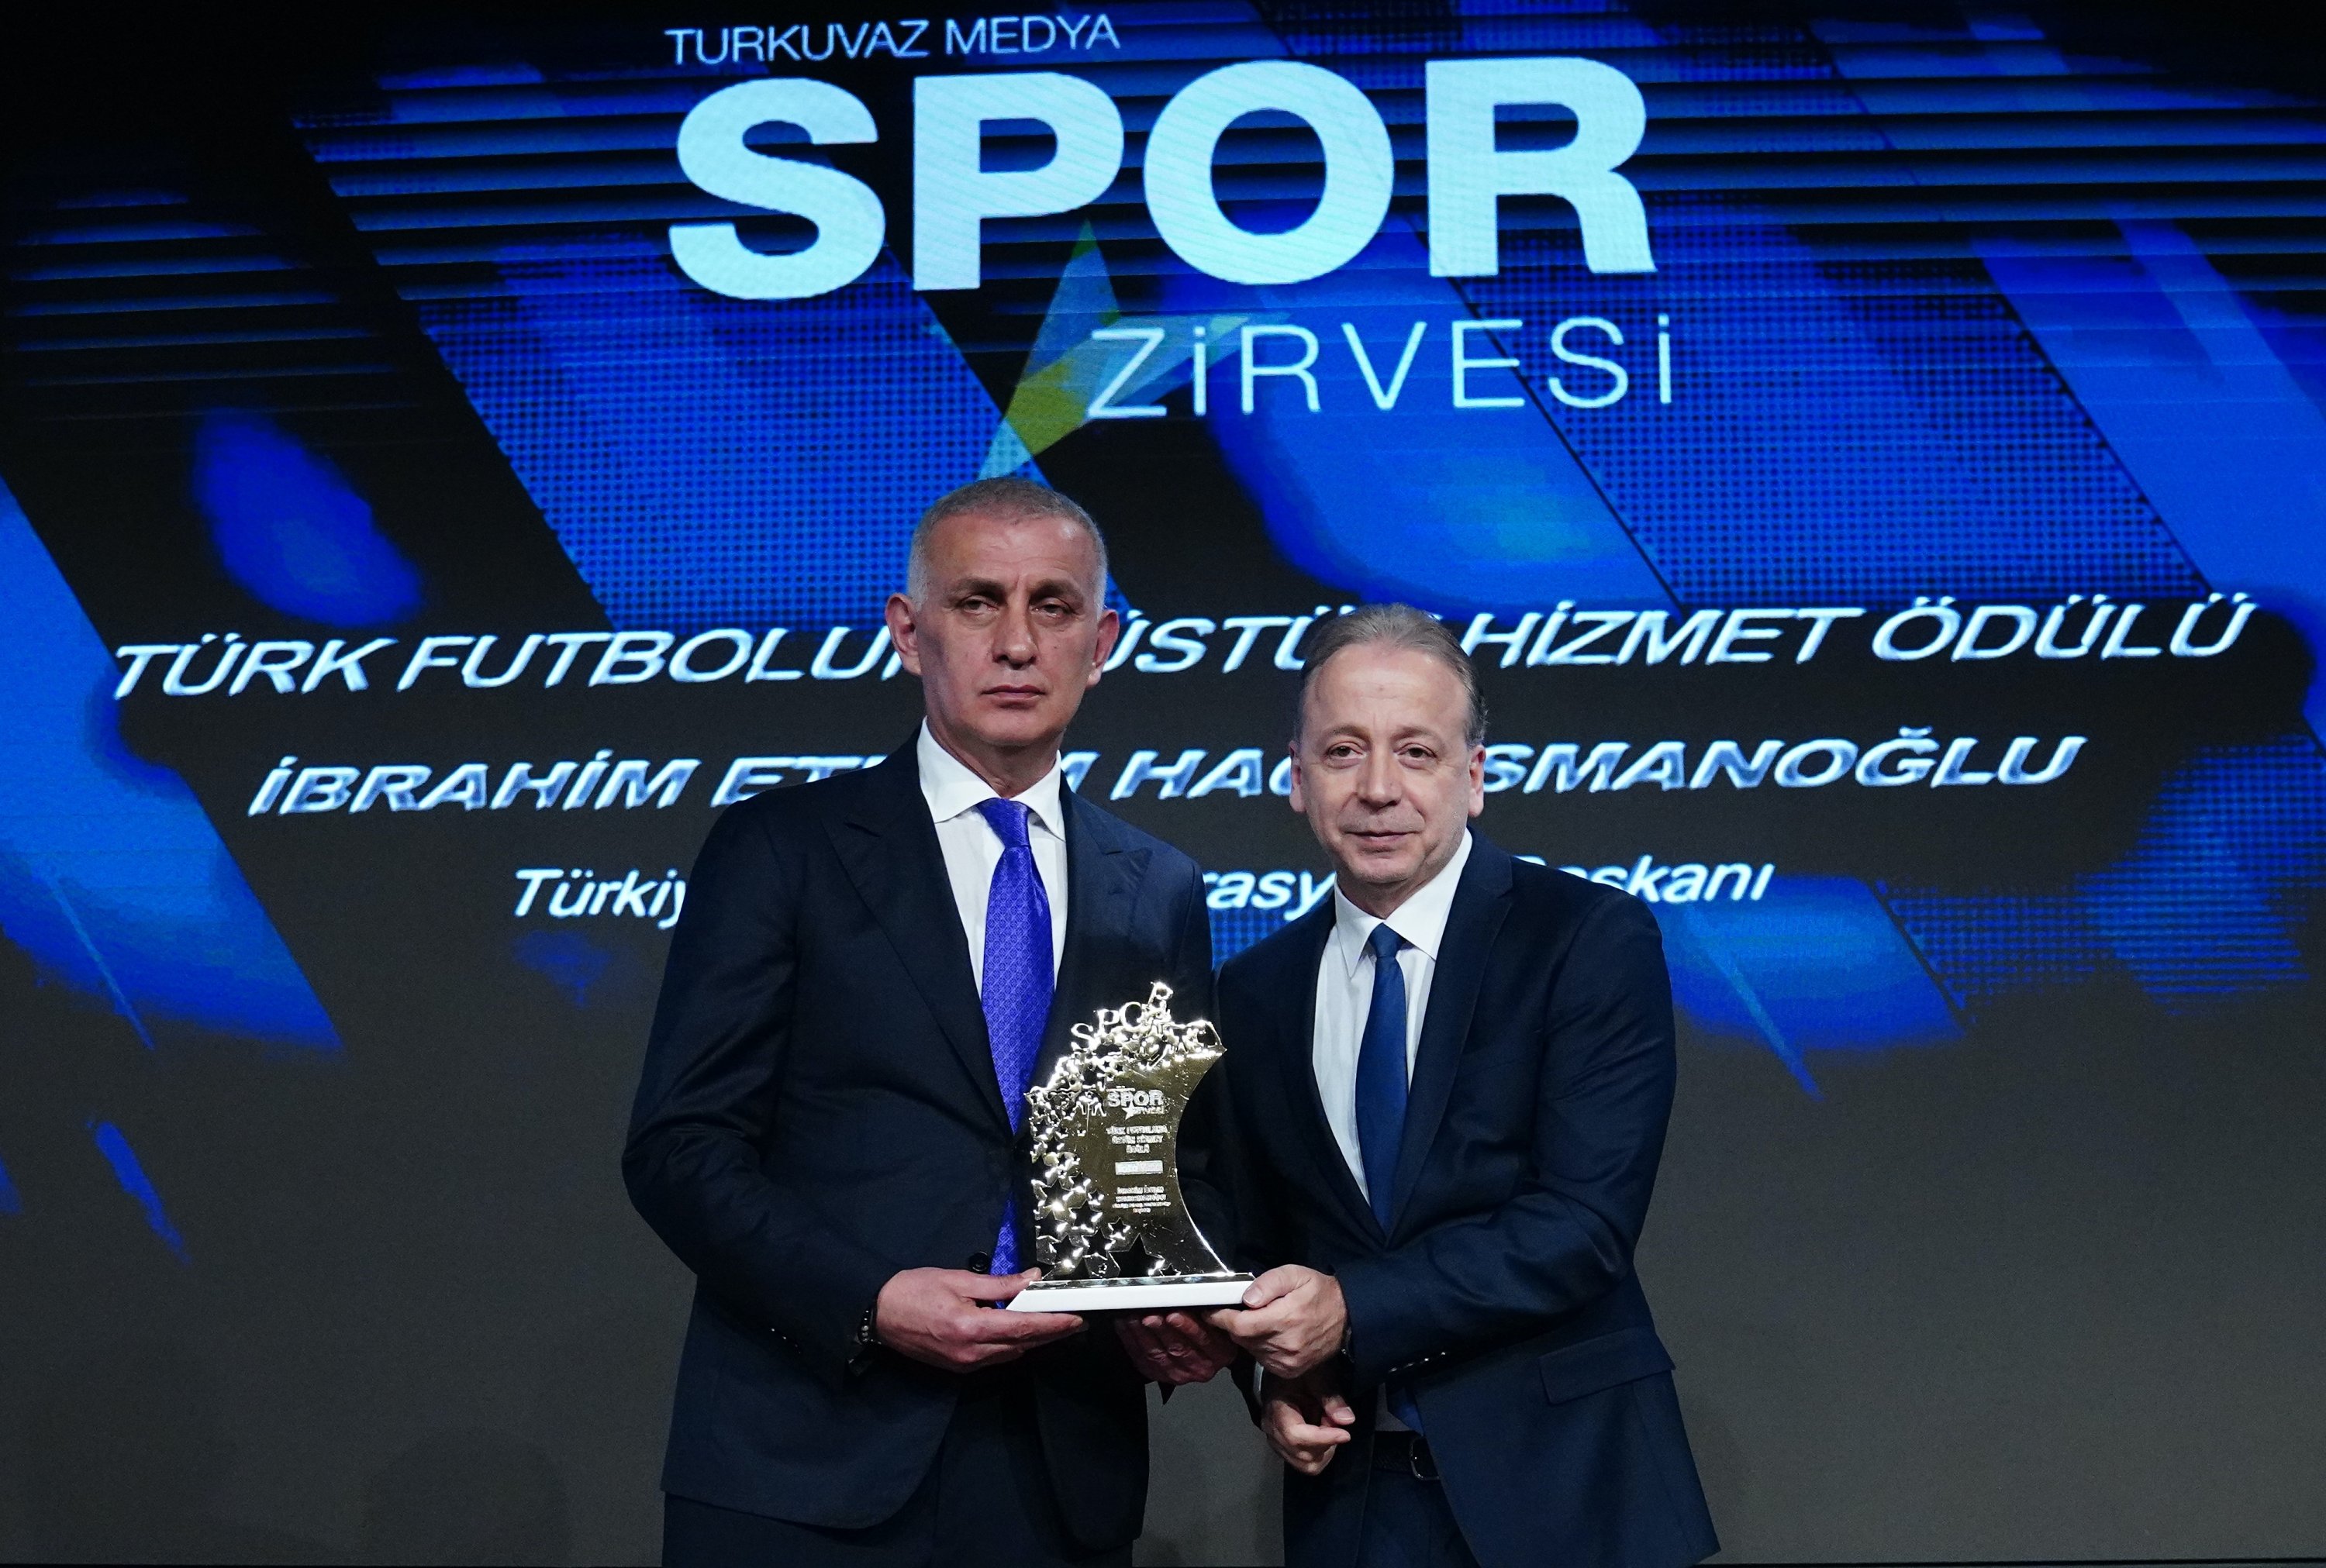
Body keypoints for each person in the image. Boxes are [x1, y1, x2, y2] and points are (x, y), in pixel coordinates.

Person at [624, 478, 1236, 1568]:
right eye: (976, 602)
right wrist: (872, 1298)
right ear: (909, 632)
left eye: (1051, 606)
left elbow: (1163, 1161)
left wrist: (1158, 1301)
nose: (1014, 642)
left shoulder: (1162, 887)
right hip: (806, 1451)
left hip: (1056, 1464)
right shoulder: (782, 848)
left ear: (1101, 642)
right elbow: (680, 1147)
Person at [1206, 605, 1719, 1568]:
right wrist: (1273, 1375)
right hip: (1351, 1506)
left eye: (1418, 752)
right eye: (1344, 751)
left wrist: (1350, 1306)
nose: (1378, 790)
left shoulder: (1587, 939)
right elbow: (1260, 1239)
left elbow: (1583, 1226)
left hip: (1566, 1495)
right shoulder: (1254, 989)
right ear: (1296, 778)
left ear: (1474, 777)